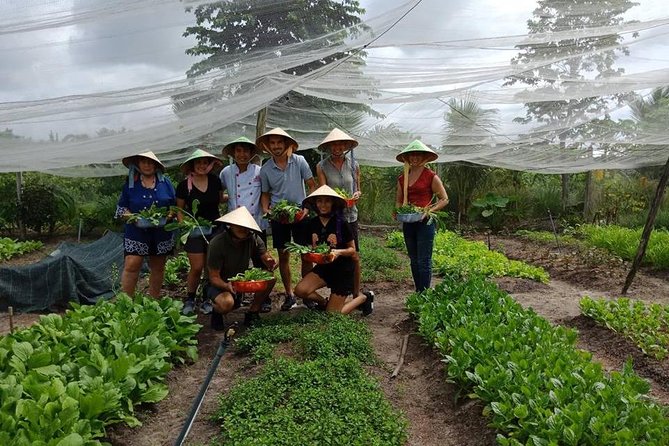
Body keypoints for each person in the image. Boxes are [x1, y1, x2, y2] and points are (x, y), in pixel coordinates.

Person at [258, 127, 317, 311]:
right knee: (283, 255)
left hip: (300, 212)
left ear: (286, 144)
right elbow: (265, 194)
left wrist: (307, 207)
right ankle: (289, 294)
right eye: (272, 143)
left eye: (279, 142)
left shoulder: (299, 161)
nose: (276, 146)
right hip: (279, 215)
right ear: (268, 147)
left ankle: (306, 294)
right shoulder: (266, 168)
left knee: (306, 255)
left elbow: (311, 185)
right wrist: (266, 209)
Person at [293, 185, 373, 315]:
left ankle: (363, 298)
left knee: (333, 315)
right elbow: (309, 247)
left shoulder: (341, 223)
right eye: (319, 201)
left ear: (333, 203)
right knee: (300, 291)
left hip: (343, 270)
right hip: (324, 268)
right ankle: (324, 303)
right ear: (315, 204)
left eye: (327, 201)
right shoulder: (311, 224)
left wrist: (338, 252)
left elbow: (352, 250)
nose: (323, 205)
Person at [219, 136, 271, 313]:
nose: (242, 154)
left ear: (251, 153)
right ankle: (237, 293)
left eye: (245, 151)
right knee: (235, 263)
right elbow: (221, 194)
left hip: (256, 222)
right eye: (238, 151)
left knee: (261, 262)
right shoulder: (226, 172)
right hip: (235, 223)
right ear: (233, 153)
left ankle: (264, 298)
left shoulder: (260, 171)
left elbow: (265, 193)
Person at [116, 150, 176, 298]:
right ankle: (126, 303)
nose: (147, 165)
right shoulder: (131, 184)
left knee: (158, 266)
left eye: (150, 162)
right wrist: (134, 218)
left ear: (156, 165)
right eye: (144, 162)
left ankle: (153, 301)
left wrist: (169, 215)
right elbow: (122, 208)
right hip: (136, 230)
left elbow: (175, 206)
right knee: (132, 264)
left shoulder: (165, 183)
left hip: (161, 231)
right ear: (138, 164)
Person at [207, 206, 277, 329]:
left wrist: (270, 261)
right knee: (226, 303)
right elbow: (214, 277)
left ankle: (253, 312)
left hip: (242, 279)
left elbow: (264, 256)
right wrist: (226, 285)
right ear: (230, 225)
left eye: (246, 226)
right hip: (220, 283)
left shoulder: (253, 238)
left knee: (270, 278)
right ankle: (217, 312)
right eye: (239, 225)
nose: (243, 229)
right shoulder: (217, 243)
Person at [395, 140, 449, 292]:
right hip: (409, 223)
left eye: (418, 155)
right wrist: (399, 211)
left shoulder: (430, 176)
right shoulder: (402, 178)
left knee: (424, 260)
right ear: (407, 158)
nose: (414, 158)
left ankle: (424, 293)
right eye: (411, 155)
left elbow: (444, 199)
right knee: (413, 260)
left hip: (425, 223)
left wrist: (429, 211)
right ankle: (419, 290)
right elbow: (399, 201)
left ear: (424, 157)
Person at [316, 128, 364, 299]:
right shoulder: (322, 166)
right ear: (329, 146)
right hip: (334, 217)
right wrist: (338, 200)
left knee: (354, 255)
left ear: (345, 146)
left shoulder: (354, 165)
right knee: (333, 252)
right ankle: (336, 291)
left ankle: (357, 293)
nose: (337, 147)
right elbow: (323, 192)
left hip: (351, 215)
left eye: (340, 144)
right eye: (333, 144)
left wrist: (356, 195)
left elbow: (357, 189)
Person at [176, 148, 224, 315]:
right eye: (198, 163)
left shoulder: (215, 181)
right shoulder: (184, 186)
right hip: (195, 230)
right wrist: (185, 225)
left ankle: (206, 298)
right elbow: (179, 210)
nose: (202, 166)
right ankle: (189, 298)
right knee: (196, 267)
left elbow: (219, 200)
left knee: (210, 267)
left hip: (215, 228)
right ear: (192, 165)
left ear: (210, 165)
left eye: (205, 162)